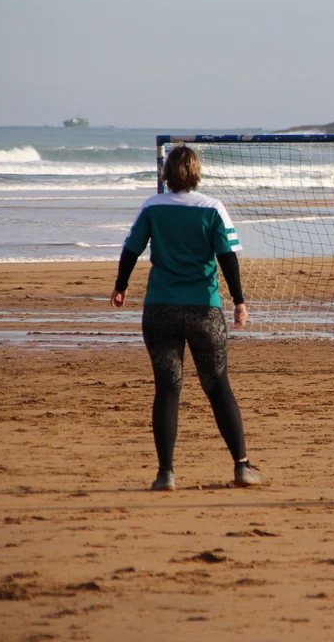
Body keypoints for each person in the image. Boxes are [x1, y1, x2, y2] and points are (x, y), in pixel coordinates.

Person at [110, 146, 262, 491]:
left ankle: (166, 473)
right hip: (203, 310)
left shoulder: (153, 206)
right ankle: (242, 466)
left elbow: (131, 249)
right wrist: (239, 301)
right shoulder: (212, 208)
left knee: (167, 389)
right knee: (217, 385)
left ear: (166, 173)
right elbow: (227, 257)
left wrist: (121, 285)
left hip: (160, 308)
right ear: (196, 172)